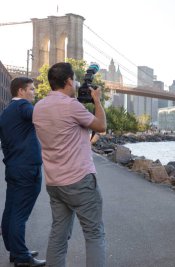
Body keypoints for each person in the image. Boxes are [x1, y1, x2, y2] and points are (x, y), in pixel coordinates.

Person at [33, 62, 106, 267]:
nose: (75, 83)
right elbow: (100, 126)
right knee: (94, 233)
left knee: (58, 233)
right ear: (67, 81)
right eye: (73, 79)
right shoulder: (71, 106)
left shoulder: (38, 107)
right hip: (79, 180)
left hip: (54, 182)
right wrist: (97, 101)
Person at [0, 77, 46, 266]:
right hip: (27, 169)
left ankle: (16, 250)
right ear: (21, 91)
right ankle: (21, 256)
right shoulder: (23, 107)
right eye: (32, 89)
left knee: (11, 211)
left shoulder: (6, 112)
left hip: (14, 168)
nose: (34, 92)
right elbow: (41, 117)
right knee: (20, 214)